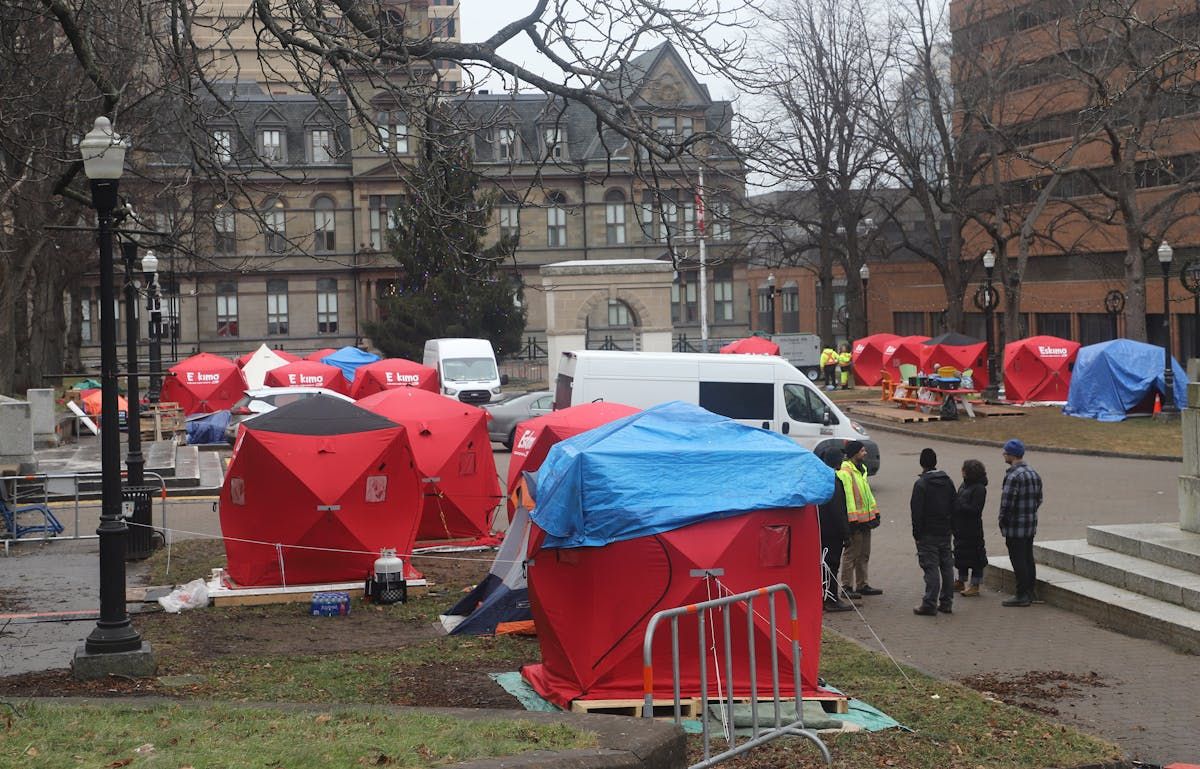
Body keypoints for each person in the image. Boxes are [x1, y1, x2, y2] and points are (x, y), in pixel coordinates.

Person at [910, 448, 956, 616]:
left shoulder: (921, 484)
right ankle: (947, 602)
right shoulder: (948, 481)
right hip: (945, 531)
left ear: (921, 463)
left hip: (927, 534)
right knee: (947, 567)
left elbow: (916, 512)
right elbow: (954, 505)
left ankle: (929, 603)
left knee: (931, 568)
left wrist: (917, 535)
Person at [998, 438, 1043, 607]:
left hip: (1015, 526)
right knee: (1028, 558)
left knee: (1018, 560)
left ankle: (1021, 594)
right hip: (1030, 524)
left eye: (1005, 452)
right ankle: (1030, 592)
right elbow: (1039, 499)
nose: (1003, 454)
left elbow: (1007, 503)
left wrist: (1003, 520)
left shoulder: (1013, 476)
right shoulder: (1033, 473)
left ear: (1012, 455)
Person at [838, 440, 882, 599]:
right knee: (851, 555)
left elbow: (867, 494)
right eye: (862, 451)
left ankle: (862, 584)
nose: (865, 453)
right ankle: (846, 586)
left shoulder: (861, 469)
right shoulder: (846, 472)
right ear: (854, 453)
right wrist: (853, 520)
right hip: (855, 521)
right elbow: (849, 498)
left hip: (866, 520)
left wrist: (875, 513)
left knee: (864, 554)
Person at [818, 446, 852, 612]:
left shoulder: (820, 479)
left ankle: (826, 597)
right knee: (831, 565)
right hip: (833, 533)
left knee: (825, 565)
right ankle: (831, 599)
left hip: (822, 530)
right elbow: (838, 511)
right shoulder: (833, 482)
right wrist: (846, 534)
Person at [953, 459, 988, 597]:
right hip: (960, 527)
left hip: (972, 529)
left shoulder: (979, 488)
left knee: (975, 557)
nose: (961, 471)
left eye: (964, 469)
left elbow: (976, 510)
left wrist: (959, 504)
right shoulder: (964, 485)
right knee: (961, 554)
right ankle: (961, 581)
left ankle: (975, 585)